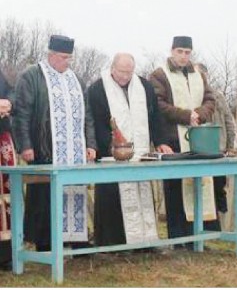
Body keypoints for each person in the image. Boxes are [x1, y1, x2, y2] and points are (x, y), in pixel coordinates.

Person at [12, 35, 97, 252]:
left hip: (74, 152)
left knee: (74, 192)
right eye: (63, 57)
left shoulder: (76, 79)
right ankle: (45, 242)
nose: (67, 62)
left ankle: (75, 238)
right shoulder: (32, 76)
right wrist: (25, 145)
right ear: (51, 55)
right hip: (43, 149)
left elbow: (87, 116)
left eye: (70, 58)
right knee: (44, 197)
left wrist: (91, 144)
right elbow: (22, 113)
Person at [88, 53, 170, 246]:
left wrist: (160, 141)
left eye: (129, 72)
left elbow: (155, 117)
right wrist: (102, 147)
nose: (125, 76)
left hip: (139, 152)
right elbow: (96, 122)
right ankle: (113, 243)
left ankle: (145, 241)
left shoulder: (144, 87)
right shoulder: (98, 89)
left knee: (142, 195)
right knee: (113, 199)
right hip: (112, 154)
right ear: (112, 68)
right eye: (122, 72)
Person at [148, 36, 218, 246]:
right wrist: (185, 115)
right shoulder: (159, 74)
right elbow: (158, 104)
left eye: (187, 52)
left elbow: (210, 99)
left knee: (198, 186)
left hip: (197, 138)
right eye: (180, 51)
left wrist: (199, 114)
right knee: (175, 189)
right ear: (171, 51)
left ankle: (197, 236)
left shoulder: (198, 74)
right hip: (173, 138)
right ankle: (177, 238)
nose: (183, 56)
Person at [194, 62, 236, 229]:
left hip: (218, 149)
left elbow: (228, 120)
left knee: (219, 188)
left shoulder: (217, 96)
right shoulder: (191, 96)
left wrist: (231, 145)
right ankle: (204, 224)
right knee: (202, 189)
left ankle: (219, 224)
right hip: (198, 151)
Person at [0, 69, 15, 269]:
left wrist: (7, 102)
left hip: (2, 136)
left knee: (6, 196)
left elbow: (10, 91)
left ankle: (5, 256)